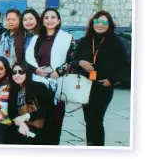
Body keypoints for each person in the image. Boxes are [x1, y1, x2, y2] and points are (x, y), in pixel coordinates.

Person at [72, 10, 129, 146]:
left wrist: (112, 80)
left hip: (103, 87)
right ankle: (91, 146)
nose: (100, 25)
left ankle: (97, 149)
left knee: (96, 120)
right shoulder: (85, 40)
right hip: (85, 87)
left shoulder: (116, 42)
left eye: (104, 22)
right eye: (97, 21)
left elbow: (125, 65)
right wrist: (79, 62)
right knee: (88, 120)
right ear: (92, 23)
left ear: (109, 24)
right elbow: (73, 60)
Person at [25, 8, 75, 145]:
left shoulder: (67, 38)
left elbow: (72, 59)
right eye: (46, 17)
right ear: (43, 20)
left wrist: (58, 71)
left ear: (58, 20)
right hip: (39, 84)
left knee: (56, 120)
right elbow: (28, 59)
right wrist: (36, 70)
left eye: (53, 17)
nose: (50, 20)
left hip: (58, 84)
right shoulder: (37, 38)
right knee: (40, 118)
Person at [5, 63, 54, 145]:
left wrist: (27, 116)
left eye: (21, 72)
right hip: (22, 127)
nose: (17, 75)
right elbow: (11, 112)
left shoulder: (39, 87)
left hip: (41, 128)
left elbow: (49, 110)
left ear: (27, 73)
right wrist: (22, 124)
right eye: (14, 72)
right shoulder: (14, 90)